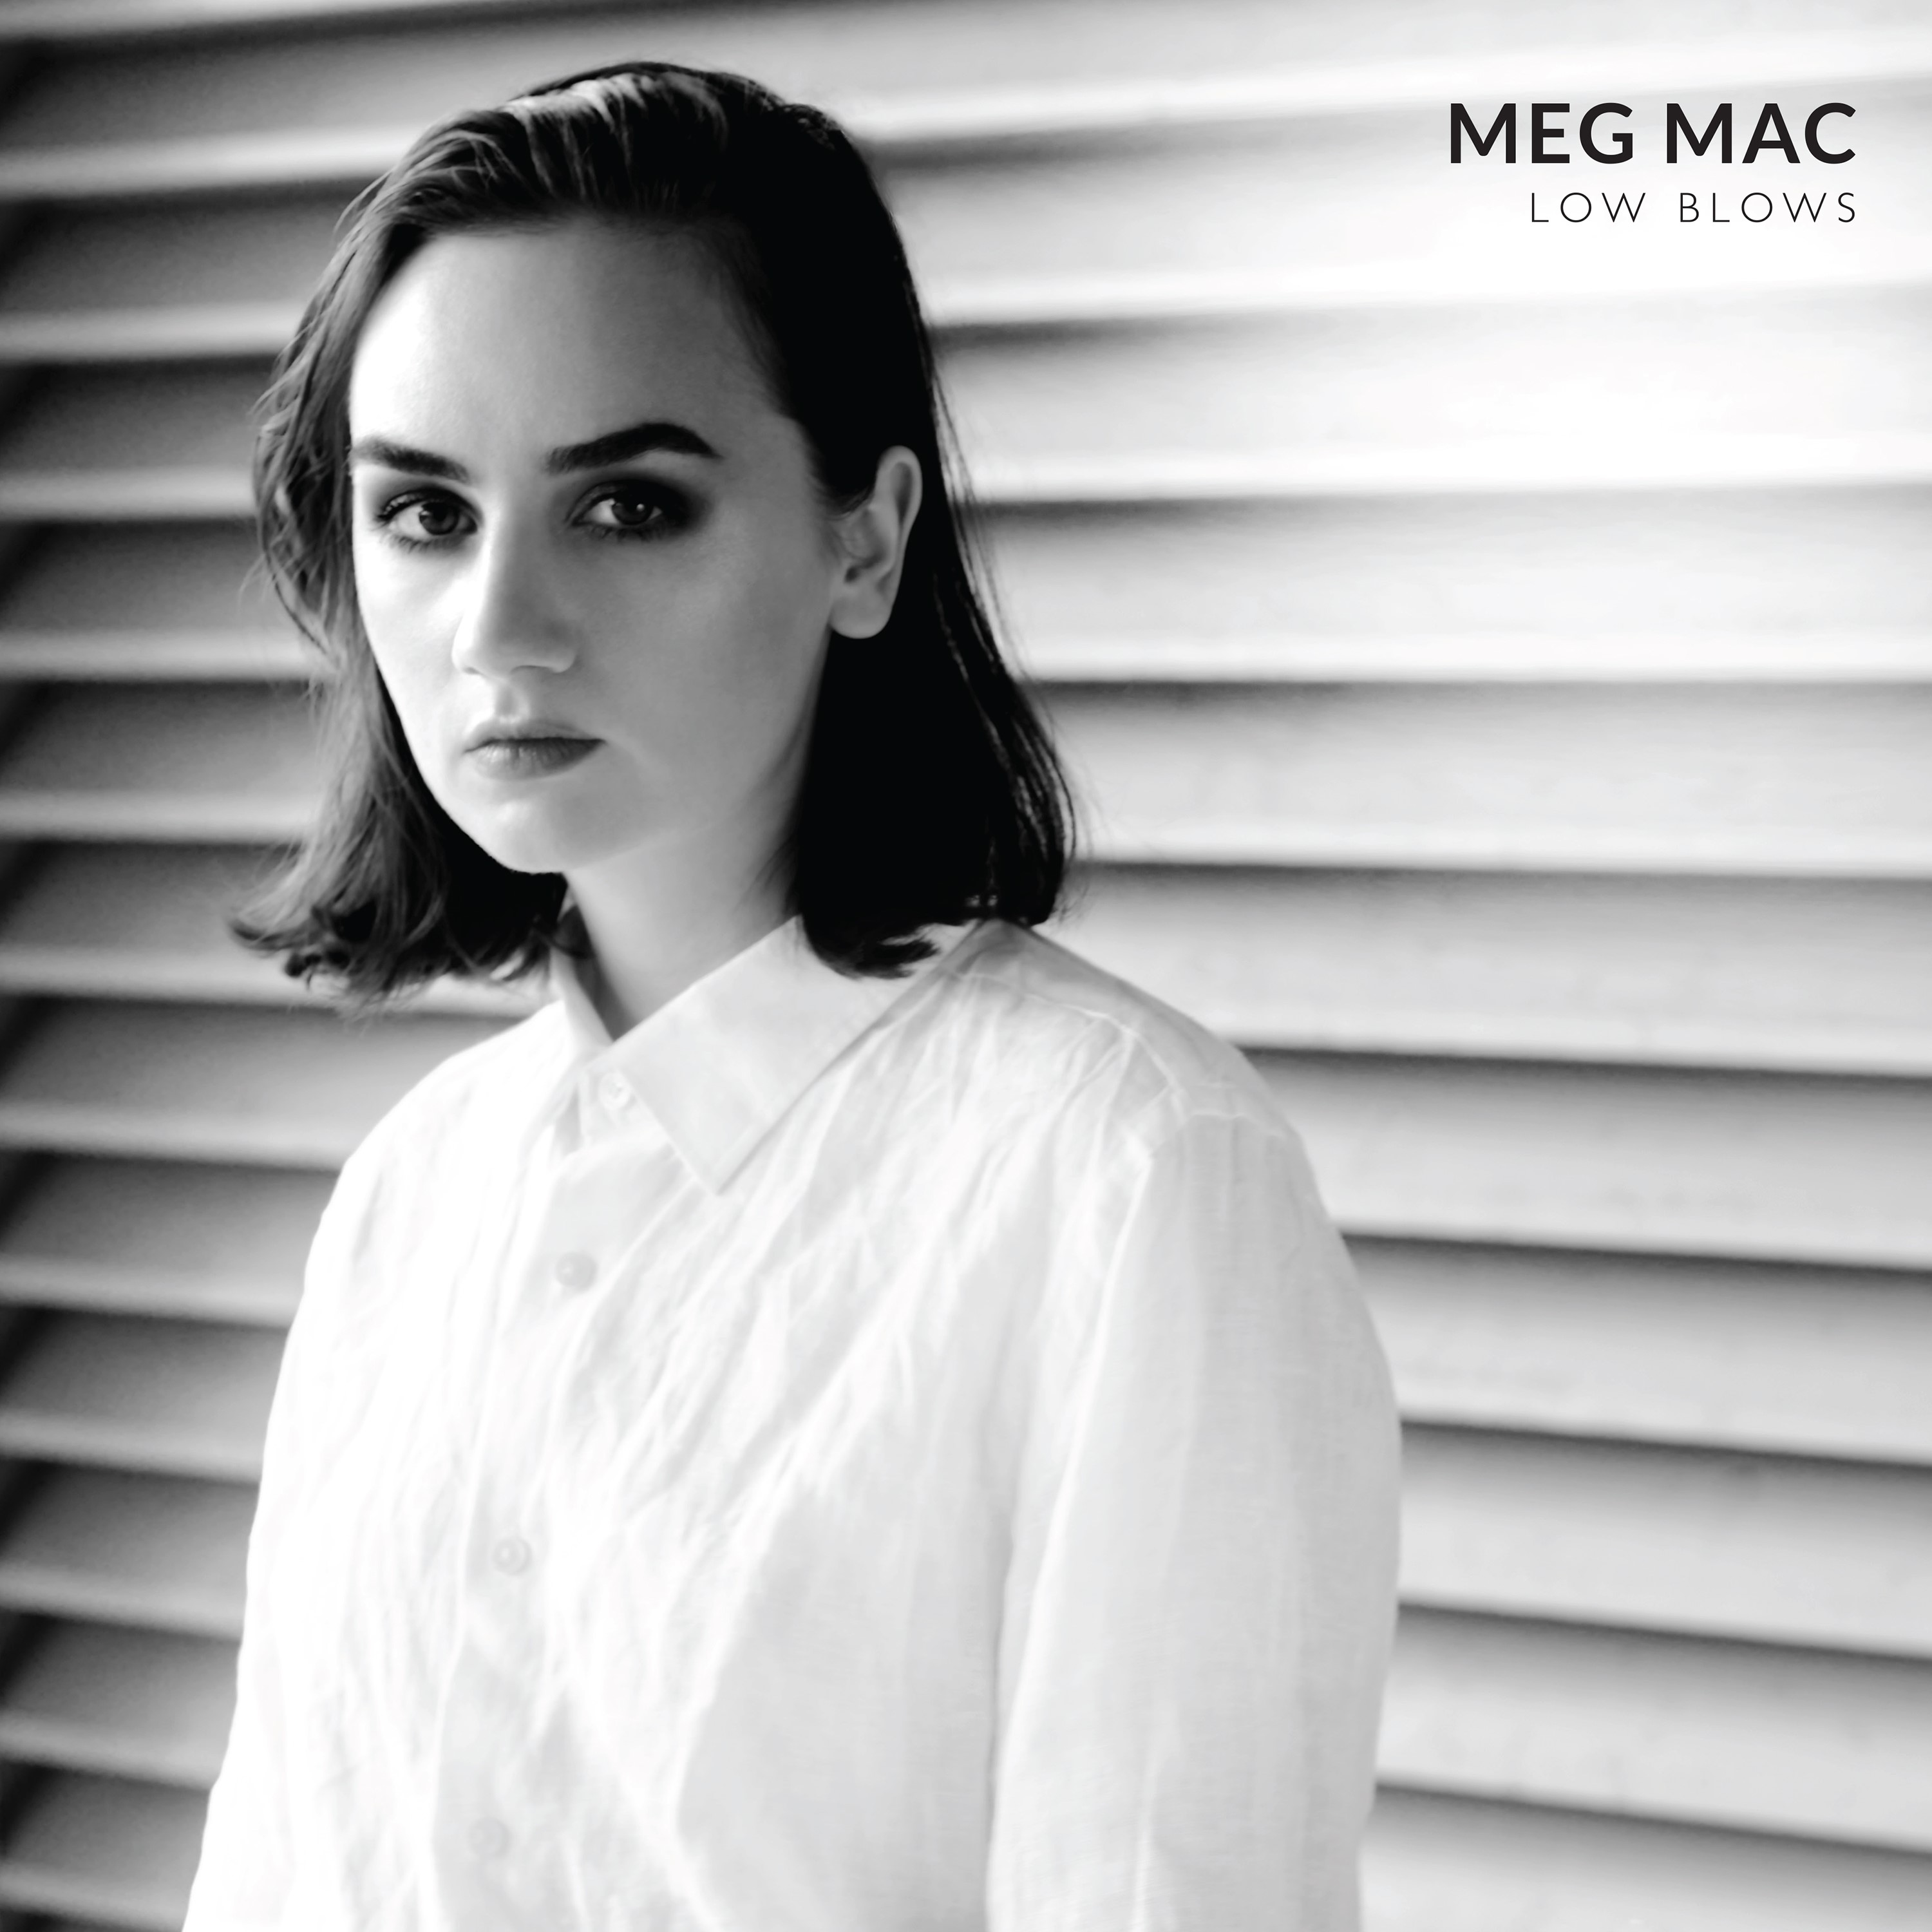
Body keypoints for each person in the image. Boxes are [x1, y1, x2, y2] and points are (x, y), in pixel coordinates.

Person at [184, 59, 1401, 1932]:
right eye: (423, 513)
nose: (499, 630)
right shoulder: (405, 1202)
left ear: (865, 537)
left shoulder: (1129, 1176)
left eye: (627, 507)